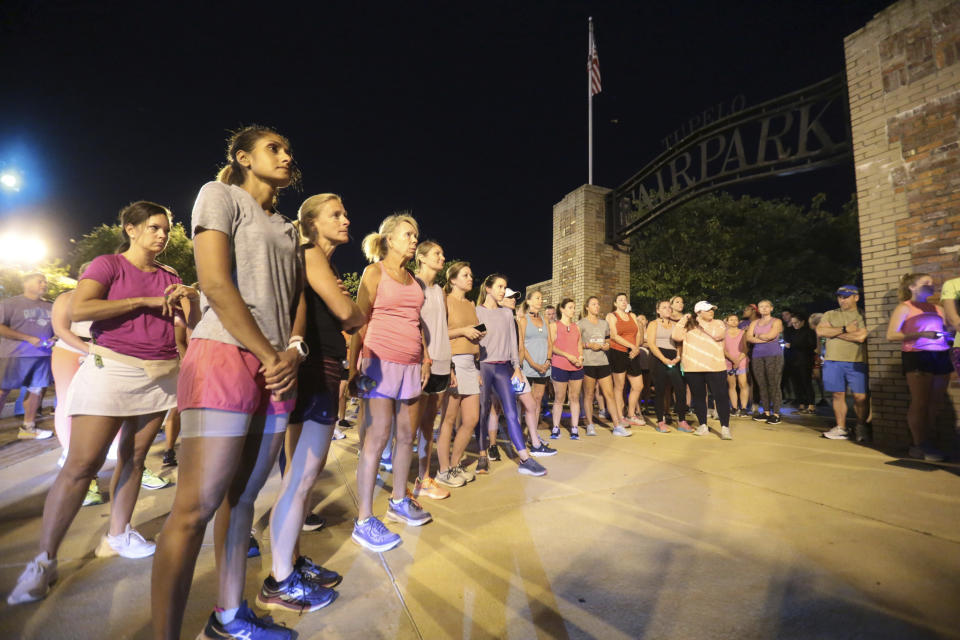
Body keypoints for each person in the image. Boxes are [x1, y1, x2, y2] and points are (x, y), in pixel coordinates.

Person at [151, 126, 306, 640]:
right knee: (195, 507)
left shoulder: (287, 227)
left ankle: (229, 616)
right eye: (273, 148)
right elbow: (214, 282)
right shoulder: (219, 196)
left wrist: (292, 351)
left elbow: (296, 300)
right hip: (226, 356)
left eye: (287, 150)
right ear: (242, 157)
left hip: (278, 369)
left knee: (244, 500)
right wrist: (268, 353)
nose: (285, 156)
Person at [9, 201, 198, 607]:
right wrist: (145, 302)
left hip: (160, 374)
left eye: (165, 228)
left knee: (136, 456)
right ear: (130, 228)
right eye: (153, 227)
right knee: (82, 465)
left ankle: (118, 533)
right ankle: (44, 560)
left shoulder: (171, 274)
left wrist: (189, 302)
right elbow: (81, 308)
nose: (161, 234)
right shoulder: (108, 265)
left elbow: (185, 325)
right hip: (111, 369)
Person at [261, 193, 366, 614]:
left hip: (317, 366)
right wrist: (349, 306)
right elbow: (350, 314)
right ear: (310, 222)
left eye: (345, 212)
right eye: (335, 215)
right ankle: (280, 580)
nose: (345, 220)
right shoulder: (309, 254)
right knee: (301, 478)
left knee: (300, 478)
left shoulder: (319, 261)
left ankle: (291, 560)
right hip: (314, 367)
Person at [348, 213, 432, 554]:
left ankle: (398, 501)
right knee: (377, 437)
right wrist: (353, 368)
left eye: (416, 234)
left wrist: (425, 358)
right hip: (379, 363)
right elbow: (358, 321)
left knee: (406, 436)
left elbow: (416, 323)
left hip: (411, 365)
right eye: (408, 234)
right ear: (390, 239)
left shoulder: (414, 280)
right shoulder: (374, 272)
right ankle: (364, 520)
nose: (414, 240)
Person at [476, 274, 547, 476]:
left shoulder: (507, 314)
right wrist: (475, 370)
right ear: (488, 289)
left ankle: (525, 458)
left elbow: (513, 343)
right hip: (484, 366)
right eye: (499, 286)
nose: (502, 290)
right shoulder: (477, 312)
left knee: (512, 413)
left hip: (504, 368)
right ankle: (483, 456)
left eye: (504, 287)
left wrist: (516, 367)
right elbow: (474, 343)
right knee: (484, 412)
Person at [885, 274, 950, 461]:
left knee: (935, 403)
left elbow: (947, 331)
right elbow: (891, 335)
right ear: (912, 287)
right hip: (917, 355)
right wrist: (922, 334)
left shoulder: (938, 308)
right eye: (926, 283)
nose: (932, 286)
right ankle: (919, 445)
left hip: (940, 355)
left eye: (932, 283)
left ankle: (928, 441)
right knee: (920, 402)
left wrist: (947, 335)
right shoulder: (904, 307)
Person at [411, 240, 454, 500]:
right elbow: (414, 325)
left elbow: (442, 328)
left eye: (442, 252)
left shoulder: (439, 290)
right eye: (437, 253)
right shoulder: (412, 284)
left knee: (428, 424)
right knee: (407, 425)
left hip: (441, 362)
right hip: (420, 363)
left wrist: (448, 364)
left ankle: (423, 478)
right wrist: (423, 358)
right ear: (422, 258)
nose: (442, 256)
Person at [435, 261, 483, 485]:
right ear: (452, 279)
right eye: (465, 274)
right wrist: (463, 331)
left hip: (471, 364)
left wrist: (476, 337)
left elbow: (473, 331)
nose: (470, 278)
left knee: (471, 418)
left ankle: (454, 465)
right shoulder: (445, 300)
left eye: (471, 274)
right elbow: (440, 331)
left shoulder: (470, 304)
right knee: (449, 419)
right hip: (452, 361)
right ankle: (443, 470)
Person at [0, 272, 54, 439]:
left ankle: (28, 428)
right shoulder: (10, 303)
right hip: (14, 355)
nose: (44, 284)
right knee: (3, 390)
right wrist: (28, 338)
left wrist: (54, 338)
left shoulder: (50, 306)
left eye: (45, 281)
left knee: (36, 390)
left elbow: (59, 327)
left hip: (41, 355)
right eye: (40, 281)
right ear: (26, 284)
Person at [673, 302, 732, 439]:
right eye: (707, 310)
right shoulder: (688, 325)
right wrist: (684, 319)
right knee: (699, 397)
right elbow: (676, 336)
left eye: (712, 309)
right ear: (698, 312)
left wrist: (700, 321)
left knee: (721, 397)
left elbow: (717, 335)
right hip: (693, 368)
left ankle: (725, 428)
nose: (711, 311)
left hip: (715, 367)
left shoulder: (718, 323)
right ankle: (703, 425)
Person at [818, 285, 870, 443]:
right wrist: (846, 329)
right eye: (840, 296)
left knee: (860, 396)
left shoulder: (863, 315)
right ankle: (841, 428)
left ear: (856, 297)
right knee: (837, 394)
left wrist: (834, 333)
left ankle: (861, 426)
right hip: (833, 360)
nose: (842, 299)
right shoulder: (830, 314)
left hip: (857, 360)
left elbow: (861, 337)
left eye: (846, 296)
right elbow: (821, 332)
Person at [579, 296, 630, 436]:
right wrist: (588, 345)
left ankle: (617, 426)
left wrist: (607, 345)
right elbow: (576, 343)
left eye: (598, 304)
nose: (597, 306)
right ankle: (590, 425)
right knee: (589, 395)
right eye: (593, 304)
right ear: (587, 307)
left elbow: (608, 340)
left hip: (603, 362)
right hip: (588, 363)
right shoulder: (581, 324)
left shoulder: (604, 324)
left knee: (610, 394)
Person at [646, 300, 690, 433]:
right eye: (664, 308)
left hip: (673, 358)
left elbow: (678, 343)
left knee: (680, 388)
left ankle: (682, 420)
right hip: (658, 357)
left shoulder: (676, 325)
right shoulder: (653, 324)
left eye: (669, 308)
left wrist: (677, 357)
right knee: (660, 390)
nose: (668, 310)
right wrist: (664, 359)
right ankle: (660, 421)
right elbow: (652, 344)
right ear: (658, 310)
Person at [606, 293, 644, 427]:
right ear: (615, 303)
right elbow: (614, 336)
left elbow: (638, 333)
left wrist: (636, 348)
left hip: (633, 353)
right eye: (620, 300)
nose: (624, 302)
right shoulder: (611, 316)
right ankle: (620, 416)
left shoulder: (632, 316)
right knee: (619, 386)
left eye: (625, 300)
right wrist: (632, 346)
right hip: (618, 352)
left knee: (638, 386)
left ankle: (631, 414)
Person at [549, 298, 584, 439]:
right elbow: (551, 346)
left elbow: (579, 345)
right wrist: (568, 356)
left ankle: (574, 428)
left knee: (574, 398)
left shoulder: (577, 327)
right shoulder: (554, 326)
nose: (573, 310)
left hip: (576, 367)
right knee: (559, 398)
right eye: (570, 307)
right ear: (562, 309)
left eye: (574, 307)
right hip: (559, 365)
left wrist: (580, 357)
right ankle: (556, 428)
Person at [747, 300, 784, 424]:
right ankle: (766, 411)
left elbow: (771, 335)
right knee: (761, 384)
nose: (764, 309)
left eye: (766, 306)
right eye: (761, 307)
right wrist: (764, 338)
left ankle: (776, 413)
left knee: (774, 383)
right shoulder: (755, 322)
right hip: (757, 355)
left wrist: (758, 337)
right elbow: (749, 337)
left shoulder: (776, 321)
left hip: (773, 355)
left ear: (771, 308)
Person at [787, 313, 818, 414]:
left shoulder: (809, 332)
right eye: (793, 323)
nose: (794, 325)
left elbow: (812, 345)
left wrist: (793, 345)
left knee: (806, 383)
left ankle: (811, 405)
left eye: (796, 322)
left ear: (802, 322)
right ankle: (801, 404)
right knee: (796, 384)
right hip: (793, 361)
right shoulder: (793, 332)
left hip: (805, 361)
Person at [723, 313, 749, 417]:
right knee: (732, 385)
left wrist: (738, 360)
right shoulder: (724, 333)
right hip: (728, 361)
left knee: (743, 384)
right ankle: (734, 407)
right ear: (727, 322)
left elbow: (746, 348)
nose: (734, 321)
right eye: (731, 320)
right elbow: (723, 349)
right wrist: (732, 359)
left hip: (741, 360)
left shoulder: (743, 332)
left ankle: (743, 408)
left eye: (736, 320)